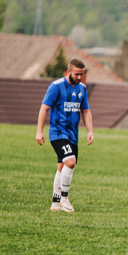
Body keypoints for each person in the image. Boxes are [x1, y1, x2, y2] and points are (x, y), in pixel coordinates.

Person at [36, 59, 93, 213]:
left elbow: (86, 111)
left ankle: (55, 203)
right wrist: (39, 131)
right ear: (69, 71)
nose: (80, 77)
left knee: (62, 167)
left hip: (72, 135)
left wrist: (90, 130)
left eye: (82, 74)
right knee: (70, 162)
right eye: (77, 74)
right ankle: (64, 198)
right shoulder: (56, 87)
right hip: (57, 133)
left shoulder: (82, 89)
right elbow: (44, 108)